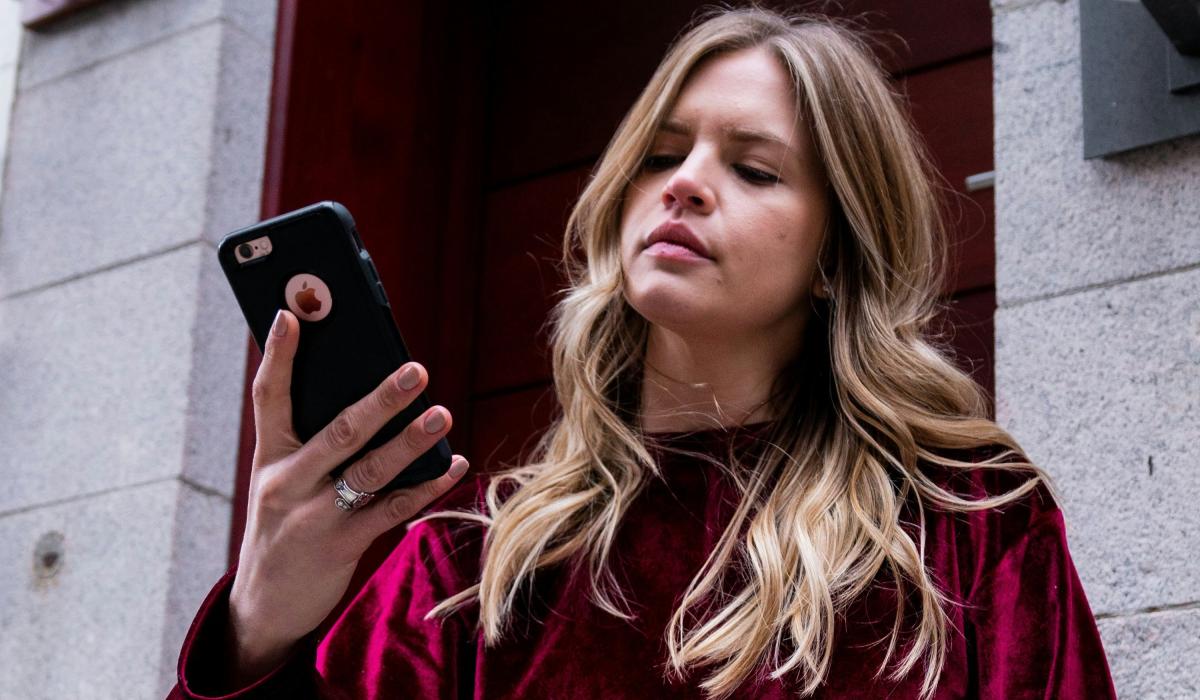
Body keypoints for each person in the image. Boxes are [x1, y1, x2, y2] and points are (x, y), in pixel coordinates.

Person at [168, 7, 1117, 699]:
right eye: (661, 155)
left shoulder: (970, 529)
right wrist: (260, 625)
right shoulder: (467, 573)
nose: (687, 185)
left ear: (836, 256)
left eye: (753, 168)